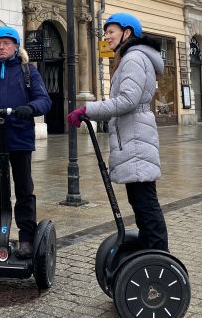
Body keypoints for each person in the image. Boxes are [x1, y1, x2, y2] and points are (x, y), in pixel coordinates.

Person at [67, 13, 168, 252]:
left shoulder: (133, 58)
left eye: (111, 31)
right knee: (141, 201)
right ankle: (151, 251)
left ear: (127, 32)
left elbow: (127, 101)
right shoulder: (132, 57)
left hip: (135, 137)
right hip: (133, 136)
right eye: (105, 32)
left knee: (145, 203)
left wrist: (88, 109)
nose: (107, 36)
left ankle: (158, 257)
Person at [0, 26, 51, 259]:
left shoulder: (28, 71)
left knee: (24, 189)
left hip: (19, 137)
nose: (1, 47)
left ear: (16, 46)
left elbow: (44, 100)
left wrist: (30, 108)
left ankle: (27, 237)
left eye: (7, 43)